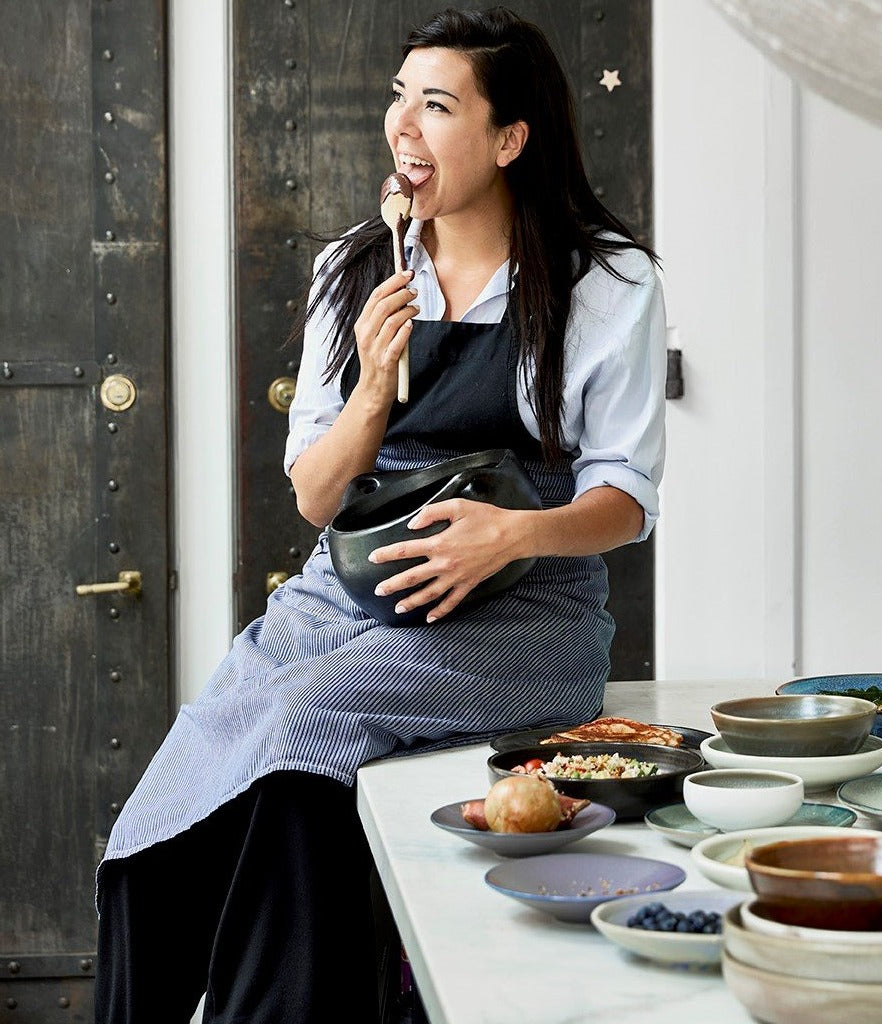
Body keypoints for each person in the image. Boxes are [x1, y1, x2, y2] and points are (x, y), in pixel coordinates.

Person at [94, 6, 666, 1022]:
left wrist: (516, 532)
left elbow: (625, 502)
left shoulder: (604, 281)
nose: (402, 124)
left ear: (508, 138)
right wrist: (371, 383)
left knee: (304, 730)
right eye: (397, 97)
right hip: (347, 600)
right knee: (168, 801)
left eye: (436, 104)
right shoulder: (354, 268)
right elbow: (316, 495)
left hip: (523, 615)